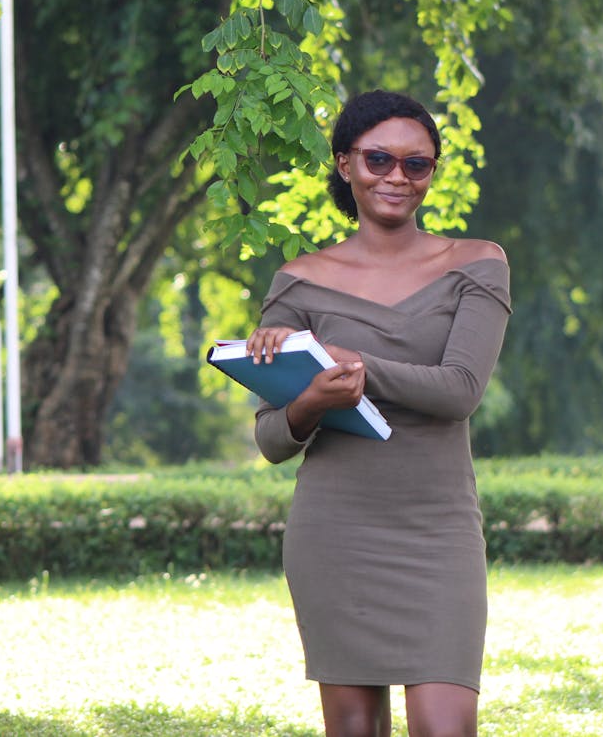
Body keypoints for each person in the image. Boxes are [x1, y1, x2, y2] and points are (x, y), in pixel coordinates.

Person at [244, 89, 511, 737]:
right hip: (335, 529)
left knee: (447, 728)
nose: (396, 176)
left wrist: (355, 363)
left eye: (416, 164)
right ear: (345, 165)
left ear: (432, 172)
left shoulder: (477, 263)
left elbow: (459, 390)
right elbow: (272, 438)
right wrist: (313, 396)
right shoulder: (298, 282)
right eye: (378, 159)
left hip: (437, 529)